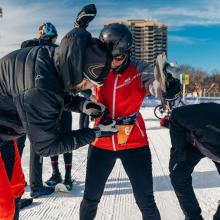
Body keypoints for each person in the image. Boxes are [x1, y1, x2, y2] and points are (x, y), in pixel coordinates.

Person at [0, 4, 117, 220]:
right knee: (3, 207)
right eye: (87, 83)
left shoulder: (53, 56)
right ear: (77, 71)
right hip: (5, 129)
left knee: (16, 186)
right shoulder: (37, 92)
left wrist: (82, 105)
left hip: (6, 132)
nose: (86, 88)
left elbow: (56, 93)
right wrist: (96, 133)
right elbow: (46, 146)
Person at [79, 23, 181, 220]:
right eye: (109, 58)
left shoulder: (139, 67)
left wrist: (165, 86)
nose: (113, 63)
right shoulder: (99, 67)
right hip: (102, 141)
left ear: (127, 52)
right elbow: (79, 83)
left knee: (145, 200)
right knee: (91, 198)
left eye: (118, 57)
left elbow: (153, 83)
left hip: (134, 143)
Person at [19, 22, 59, 199]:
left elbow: (24, 46)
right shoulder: (53, 51)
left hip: (17, 98)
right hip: (38, 102)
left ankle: (15, 180)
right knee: (38, 143)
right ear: (54, 37)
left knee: (16, 141)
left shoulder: (28, 48)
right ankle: (36, 186)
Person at [169, 103, 220, 220]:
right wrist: (179, 150)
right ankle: (193, 217)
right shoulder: (210, 114)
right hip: (194, 144)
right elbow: (176, 115)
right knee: (178, 175)